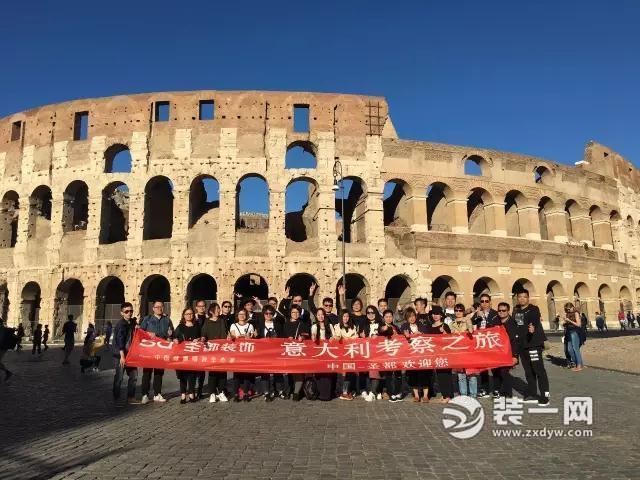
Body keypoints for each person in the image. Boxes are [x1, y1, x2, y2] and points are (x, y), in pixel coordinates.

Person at [513, 289, 550, 406]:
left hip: (533, 344)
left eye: (525, 297)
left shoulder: (533, 309)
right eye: (520, 297)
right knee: (528, 371)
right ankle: (533, 393)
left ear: (528, 298)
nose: (522, 299)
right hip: (523, 346)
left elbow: (534, 320)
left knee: (538, 370)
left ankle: (545, 395)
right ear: (517, 298)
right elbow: (518, 326)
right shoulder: (517, 311)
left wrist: (532, 327)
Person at [139, 301, 173, 404]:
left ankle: (157, 394)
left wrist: (170, 335)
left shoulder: (167, 320)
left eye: (161, 306)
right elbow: (140, 332)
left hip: (161, 350)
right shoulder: (147, 319)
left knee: (159, 373)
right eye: (157, 307)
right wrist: (147, 334)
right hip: (149, 350)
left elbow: (171, 333)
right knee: (147, 373)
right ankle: (145, 394)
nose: (159, 308)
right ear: (153, 308)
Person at [200, 302, 230, 403]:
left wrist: (228, 338)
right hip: (211, 350)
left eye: (219, 309)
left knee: (222, 372)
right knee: (212, 372)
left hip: (221, 349)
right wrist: (203, 338)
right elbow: (204, 333)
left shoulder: (222, 321)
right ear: (212, 311)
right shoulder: (207, 321)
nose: (219, 311)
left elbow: (225, 333)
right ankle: (212, 393)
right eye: (217, 309)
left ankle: (221, 391)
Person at [471, 293, 499, 398]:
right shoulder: (477, 314)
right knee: (483, 369)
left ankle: (497, 389)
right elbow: (472, 325)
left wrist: (486, 318)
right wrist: (476, 318)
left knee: (495, 368)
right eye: (482, 301)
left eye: (486, 301)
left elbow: (497, 327)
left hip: (492, 344)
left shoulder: (495, 314)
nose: (484, 303)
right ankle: (485, 389)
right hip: (481, 344)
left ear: (490, 302)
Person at [255, 304, 284, 401]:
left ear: (273, 314)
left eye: (270, 313)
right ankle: (266, 392)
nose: (268, 315)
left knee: (278, 372)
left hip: (276, 352)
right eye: (266, 313)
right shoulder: (259, 325)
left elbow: (282, 338)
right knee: (265, 373)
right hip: (264, 352)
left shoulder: (278, 325)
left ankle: (279, 390)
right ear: (263, 314)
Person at [400, 307, 430, 402]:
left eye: (413, 316)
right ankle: (416, 395)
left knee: (424, 374)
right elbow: (402, 335)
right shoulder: (404, 326)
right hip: (411, 354)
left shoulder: (420, 324)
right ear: (406, 318)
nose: (412, 318)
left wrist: (420, 333)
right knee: (413, 375)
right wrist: (406, 335)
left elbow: (427, 334)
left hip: (422, 353)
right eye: (409, 316)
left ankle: (425, 395)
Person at [112, 302, 139, 403]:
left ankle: (130, 397)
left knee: (134, 375)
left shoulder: (132, 322)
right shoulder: (121, 325)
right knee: (119, 377)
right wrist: (122, 356)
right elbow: (120, 341)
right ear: (122, 313)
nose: (129, 313)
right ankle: (116, 397)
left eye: (131, 311)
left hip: (131, 354)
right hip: (121, 354)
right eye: (126, 311)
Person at [425, 306, 453, 403]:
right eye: (433, 314)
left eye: (437, 314)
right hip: (435, 354)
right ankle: (444, 394)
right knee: (439, 375)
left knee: (446, 375)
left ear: (441, 315)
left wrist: (444, 332)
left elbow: (450, 339)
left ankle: (448, 395)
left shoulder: (444, 325)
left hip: (444, 354)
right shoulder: (430, 326)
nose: (435, 316)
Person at [173, 308, 202, 404]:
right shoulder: (180, 326)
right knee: (182, 375)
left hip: (193, 354)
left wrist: (198, 339)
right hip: (182, 354)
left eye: (191, 314)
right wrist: (175, 340)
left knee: (192, 375)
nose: (189, 315)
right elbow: (174, 337)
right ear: (184, 315)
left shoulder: (197, 326)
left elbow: (202, 337)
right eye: (187, 314)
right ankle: (183, 394)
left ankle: (191, 393)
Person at [281, 305, 309, 401]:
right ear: (290, 313)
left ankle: (296, 393)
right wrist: (287, 339)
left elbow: (307, 334)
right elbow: (282, 337)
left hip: (299, 351)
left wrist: (303, 337)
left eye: (297, 312)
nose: (295, 314)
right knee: (290, 373)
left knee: (299, 373)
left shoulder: (303, 324)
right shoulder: (286, 324)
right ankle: (290, 390)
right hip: (289, 351)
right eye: (293, 312)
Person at [229, 308, 257, 402]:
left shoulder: (250, 325)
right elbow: (232, 336)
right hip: (237, 353)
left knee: (247, 374)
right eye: (240, 314)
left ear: (246, 315)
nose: (242, 316)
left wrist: (250, 337)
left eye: (243, 314)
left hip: (247, 352)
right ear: (237, 315)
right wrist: (237, 337)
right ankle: (236, 394)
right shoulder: (233, 325)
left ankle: (245, 393)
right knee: (236, 375)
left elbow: (252, 337)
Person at [493, 302, 519, 398]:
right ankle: (498, 391)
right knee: (496, 372)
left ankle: (508, 393)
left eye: (504, 310)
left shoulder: (512, 323)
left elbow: (515, 341)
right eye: (499, 310)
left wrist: (515, 356)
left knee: (504, 372)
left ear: (508, 311)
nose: (501, 312)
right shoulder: (495, 321)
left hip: (509, 352)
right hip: (497, 352)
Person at [449, 304, 475, 397]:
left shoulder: (467, 320)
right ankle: (463, 394)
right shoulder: (452, 323)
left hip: (468, 349)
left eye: (460, 310)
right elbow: (450, 335)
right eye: (456, 310)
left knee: (471, 373)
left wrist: (470, 330)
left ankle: (473, 394)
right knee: (461, 374)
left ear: (463, 311)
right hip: (458, 351)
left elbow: (471, 329)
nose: (458, 312)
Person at [334, 309, 358, 400]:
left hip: (351, 352)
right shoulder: (337, 326)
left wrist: (348, 339)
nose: (346, 318)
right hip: (341, 352)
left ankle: (347, 391)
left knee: (349, 372)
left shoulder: (353, 327)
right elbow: (338, 336)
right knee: (342, 373)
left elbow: (356, 337)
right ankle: (342, 392)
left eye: (347, 316)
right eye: (344, 316)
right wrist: (347, 338)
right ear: (341, 317)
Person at [310, 308, 334, 401]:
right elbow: (313, 335)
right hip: (319, 353)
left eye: (322, 314)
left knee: (328, 374)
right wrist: (314, 336)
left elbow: (334, 335)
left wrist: (333, 338)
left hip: (328, 352)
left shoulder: (330, 325)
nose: (321, 316)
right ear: (316, 316)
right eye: (319, 314)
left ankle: (328, 394)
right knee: (319, 373)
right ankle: (319, 393)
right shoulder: (314, 326)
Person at [379, 309, 402, 402]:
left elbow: (401, 338)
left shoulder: (396, 327)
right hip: (387, 354)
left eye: (390, 316)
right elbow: (381, 331)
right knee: (388, 374)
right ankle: (390, 393)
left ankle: (397, 391)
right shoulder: (382, 326)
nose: (389, 318)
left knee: (398, 374)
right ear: (384, 318)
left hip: (396, 354)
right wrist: (383, 329)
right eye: (387, 317)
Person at [360, 305, 382, 401]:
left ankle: (373, 392)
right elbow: (360, 336)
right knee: (366, 372)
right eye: (368, 312)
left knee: (375, 371)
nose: (370, 314)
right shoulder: (363, 323)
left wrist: (378, 336)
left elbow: (385, 335)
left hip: (377, 352)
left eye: (372, 312)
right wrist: (362, 336)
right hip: (366, 351)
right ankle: (370, 391)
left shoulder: (381, 323)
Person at [193, 299, 209, 399]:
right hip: (194, 346)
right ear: (196, 307)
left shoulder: (208, 318)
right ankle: (192, 390)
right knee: (193, 370)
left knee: (202, 370)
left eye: (203, 306)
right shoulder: (193, 317)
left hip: (204, 346)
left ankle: (199, 390)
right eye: (200, 306)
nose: (202, 308)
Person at [563, 303, 585, 372]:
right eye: (567, 309)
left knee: (575, 349)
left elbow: (579, 325)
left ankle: (579, 365)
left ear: (572, 307)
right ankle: (578, 363)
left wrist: (569, 321)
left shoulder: (576, 313)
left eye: (569, 309)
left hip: (575, 332)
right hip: (569, 332)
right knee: (569, 349)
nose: (568, 310)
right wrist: (565, 323)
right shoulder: (568, 314)